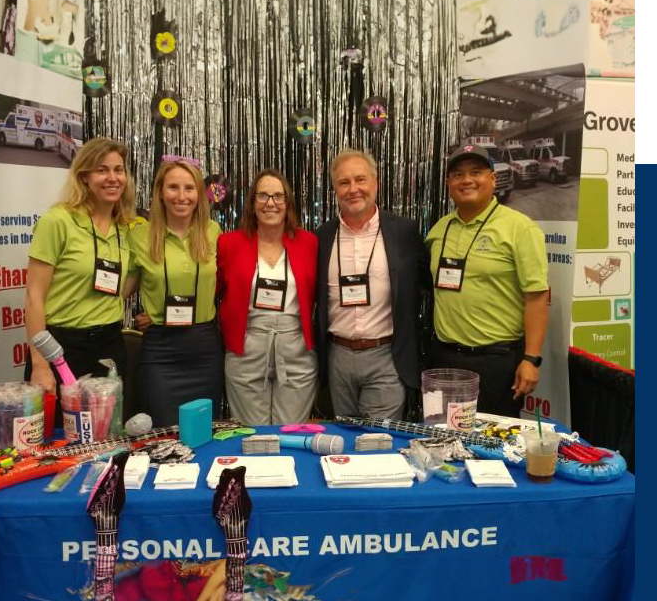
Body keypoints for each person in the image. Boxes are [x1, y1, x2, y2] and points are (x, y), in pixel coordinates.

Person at [425, 143, 549, 417]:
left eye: (476, 172)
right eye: (458, 174)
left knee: (491, 449)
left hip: (497, 362)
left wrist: (531, 359)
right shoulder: (438, 230)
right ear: (448, 182)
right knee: (442, 441)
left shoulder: (520, 228)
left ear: (493, 178)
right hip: (445, 359)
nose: (467, 180)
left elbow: (537, 298)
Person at [315, 150, 428, 419]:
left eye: (360, 180)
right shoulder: (321, 237)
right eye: (344, 182)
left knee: (378, 443)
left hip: (386, 356)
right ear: (335, 189)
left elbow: (426, 286)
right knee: (344, 441)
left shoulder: (404, 232)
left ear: (375, 183)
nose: (353, 189)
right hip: (337, 359)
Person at [25, 137, 135, 411]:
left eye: (118, 170)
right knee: (62, 442)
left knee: (109, 435)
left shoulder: (126, 227)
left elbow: (120, 288)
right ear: (84, 176)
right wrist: (40, 364)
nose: (113, 178)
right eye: (102, 170)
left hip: (110, 345)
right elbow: (34, 296)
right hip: (62, 347)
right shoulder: (58, 221)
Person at [125, 160, 223, 426]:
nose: (182, 196)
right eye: (173, 187)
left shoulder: (213, 232)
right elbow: (122, 290)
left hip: (205, 349)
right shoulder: (139, 237)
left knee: (203, 433)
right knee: (164, 434)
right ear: (160, 192)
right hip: (160, 352)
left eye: (189, 188)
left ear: (199, 194)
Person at [217, 170, 317, 424]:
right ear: (252, 203)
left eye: (277, 196)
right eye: (262, 196)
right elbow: (211, 291)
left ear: (288, 203)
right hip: (247, 346)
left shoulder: (310, 243)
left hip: (296, 348)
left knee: (290, 432)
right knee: (252, 435)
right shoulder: (229, 243)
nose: (270, 203)